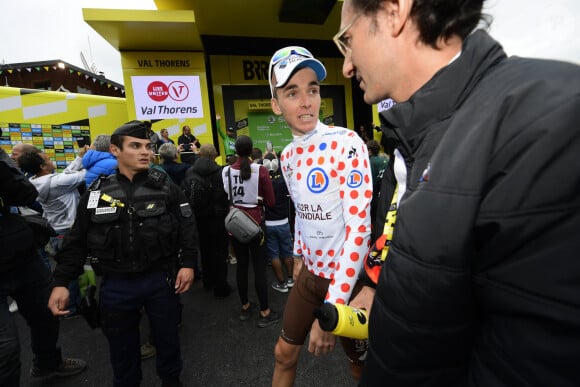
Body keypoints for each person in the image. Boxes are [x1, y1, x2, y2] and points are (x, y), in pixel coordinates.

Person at [335, 1, 580, 386]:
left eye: (347, 40)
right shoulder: (417, 139)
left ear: (395, 11)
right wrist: (376, 287)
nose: (347, 66)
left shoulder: (542, 122)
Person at [47, 120, 198, 387]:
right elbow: (76, 240)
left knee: (168, 342)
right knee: (122, 353)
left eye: (148, 147)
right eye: (135, 146)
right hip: (116, 285)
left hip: (159, 279)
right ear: (115, 151)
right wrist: (61, 282)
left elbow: (187, 225)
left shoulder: (165, 186)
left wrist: (188, 263)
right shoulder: (96, 193)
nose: (145, 152)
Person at [268, 46, 372, 386]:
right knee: (283, 354)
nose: (306, 101)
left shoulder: (347, 143)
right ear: (275, 104)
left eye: (312, 89)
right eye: (292, 92)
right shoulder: (287, 155)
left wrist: (333, 309)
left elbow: (360, 232)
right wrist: (298, 254)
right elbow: (300, 210)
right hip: (310, 276)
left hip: (350, 282)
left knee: (362, 370)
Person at [0, 144, 86, 386]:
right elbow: (77, 175)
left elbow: (24, 193)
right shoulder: (51, 181)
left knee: (48, 313)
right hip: (42, 241)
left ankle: (48, 364)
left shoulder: (28, 176)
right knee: (6, 347)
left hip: (19, 253)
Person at [19, 147, 88, 318]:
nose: (51, 160)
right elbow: (84, 175)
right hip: (66, 232)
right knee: (69, 272)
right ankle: (71, 308)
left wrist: (79, 157)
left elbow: (66, 174)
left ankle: (72, 301)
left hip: (56, 231)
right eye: (47, 158)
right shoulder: (56, 182)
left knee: (65, 268)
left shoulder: (35, 181)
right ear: (43, 166)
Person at [222, 135, 279, 328]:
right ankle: (265, 311)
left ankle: (245, 306)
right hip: (256, 224)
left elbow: (228, 196)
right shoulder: (260, 170)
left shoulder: (226, 171)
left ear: (235, 151)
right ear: (252, 148)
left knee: (241, 267)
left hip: (236, 224)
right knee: (259, 269)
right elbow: (271, 202)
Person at [182, 143, 232, 298]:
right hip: (218, 218)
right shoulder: (222, 172)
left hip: (199, 218)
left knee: (205, 251)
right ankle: (221, 287)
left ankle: (207, 281)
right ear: (214, 155)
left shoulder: (190, 171)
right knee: (220, 253)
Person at [262, 154, 294, 293]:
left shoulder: (262, 182)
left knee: (274, 254)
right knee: (287, 252)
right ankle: (290, 279)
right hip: (284, 223)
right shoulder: (283, 181)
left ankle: (281, 283)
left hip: (269, 223)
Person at [365, 139, 388, 223]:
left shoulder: (370, 162)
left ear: (369, 150)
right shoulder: (386, 158)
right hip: (386, 191)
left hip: (376, 194)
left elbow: (371, 181)